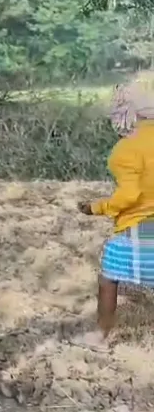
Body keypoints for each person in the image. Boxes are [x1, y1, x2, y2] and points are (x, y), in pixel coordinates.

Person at [74, 73, 154, 352]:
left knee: (109, 273)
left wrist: (97, 207)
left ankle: (101, 336)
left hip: (142, 228)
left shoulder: (125, 150)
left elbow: (130, 195)